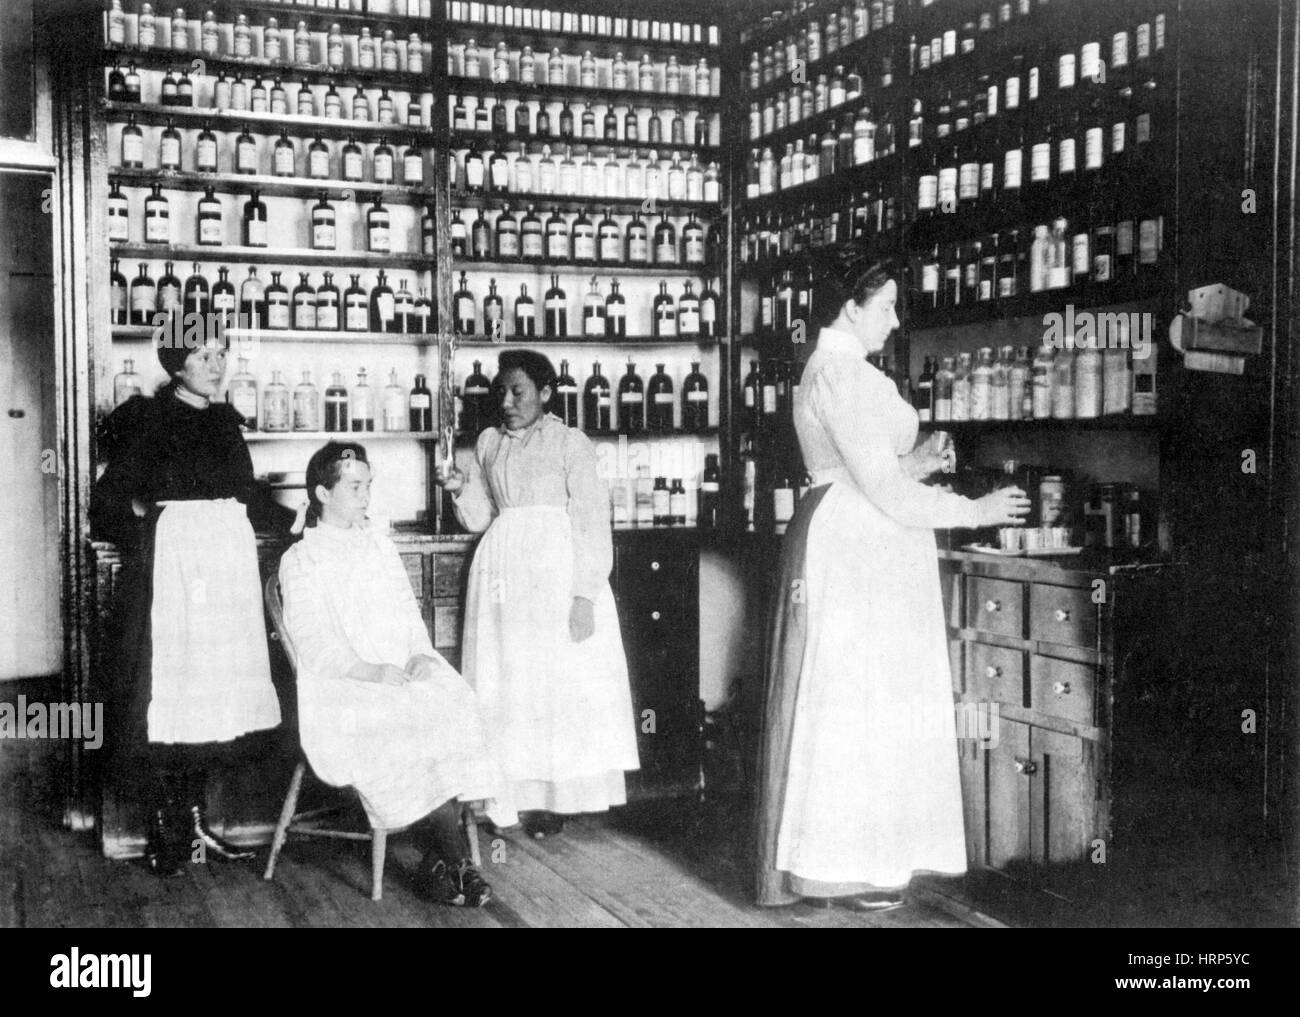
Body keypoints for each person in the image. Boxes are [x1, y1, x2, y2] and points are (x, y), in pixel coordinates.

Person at [755, 256, 1030, 910]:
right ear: (851, 307)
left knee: (862, 696)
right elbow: (882, 490)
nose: (897, 318)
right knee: (862, 700)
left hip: (860, 535)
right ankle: (850, 865)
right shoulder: (844, 375)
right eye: (886, 306)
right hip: (861, 544)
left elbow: (867, 469)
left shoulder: (833, 371)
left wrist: (918, 460)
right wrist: (976, 511)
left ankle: (852, 862)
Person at [90, 334, 294, 876]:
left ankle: (199, 824)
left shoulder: (225, 423)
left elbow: (247, 496)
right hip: (176, 576)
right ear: (177, 365)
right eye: (202, 356)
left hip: (224, 572)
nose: (215, 364)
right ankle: (168, 830)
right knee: (172, 690)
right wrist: (154, 543)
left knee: (214, 692)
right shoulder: (150, 420)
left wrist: (295, 522)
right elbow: (109, 500)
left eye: (221, 355)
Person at [277, 442, 511, 907]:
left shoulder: (378, 546)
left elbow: (407, 615)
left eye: (369, 485)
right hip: (342, 687)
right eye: (355, 486)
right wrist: (369, 671)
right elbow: (314, 644)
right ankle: (450, 860)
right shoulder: (302, 560)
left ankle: (443, 861)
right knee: (408, 716)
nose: (366, 495)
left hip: (397, 670)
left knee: (454, 698)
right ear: (322, 493)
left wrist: (420, 653)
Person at [434, 350, 639, 839]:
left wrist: (585, 595)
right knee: (508, 680)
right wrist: (460, 486)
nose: (505, 401)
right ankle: (508, 793)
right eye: (501, 391)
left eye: (518, 392)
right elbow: (482, 517)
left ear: (546, 394)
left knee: (555, 684)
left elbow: (591, 519)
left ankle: (555, 800)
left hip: (555, 572)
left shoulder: (572, 443)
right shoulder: (488, 443)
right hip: (502, 573)